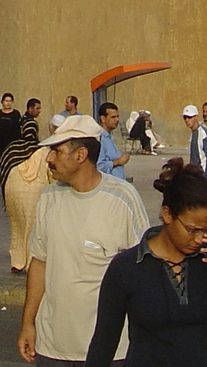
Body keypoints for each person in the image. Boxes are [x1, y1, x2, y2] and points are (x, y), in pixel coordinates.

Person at [85, 160, 207, 366]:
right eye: (192, 230)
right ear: (167, 215)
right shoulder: (127, 267)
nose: (200, 239)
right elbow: (104, 341)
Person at [17, 114, 149, 364]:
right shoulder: (48, 198)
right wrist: (28, 324)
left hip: (110, 352)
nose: (49, 159)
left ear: (80, 155)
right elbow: (40, 263)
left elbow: (143, 271)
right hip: (52, 347)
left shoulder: (123, 199)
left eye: (56, 151)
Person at [2, 98, 48, 274]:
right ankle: (29, 261)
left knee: (17, 227)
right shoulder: (41, 150)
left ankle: (17, 261)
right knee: (32, 228)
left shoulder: (12, 149)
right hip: (33, 195)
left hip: (12, 193)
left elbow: (3, 171)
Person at [183, 105, 207, 186]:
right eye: (185, 118)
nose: (187, 120)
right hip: (194, 176)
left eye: (190, 117)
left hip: (203, 176)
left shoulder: (203, 133)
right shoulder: (193, 133)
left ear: (195, 117)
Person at [98, 103, 131, 180]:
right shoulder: (100, 139)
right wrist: (117, 162)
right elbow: (98, 166)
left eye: (117, 116)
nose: (117, 120)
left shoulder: (109, 138)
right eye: (113, 117)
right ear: (103, 118)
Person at [0, 93, 24, 164]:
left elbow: (20, 128)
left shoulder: (16, 113)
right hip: (0, 143)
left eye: (10, 101)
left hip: (12, 143)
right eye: (6, 101)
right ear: (2, 102)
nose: (8, 103)